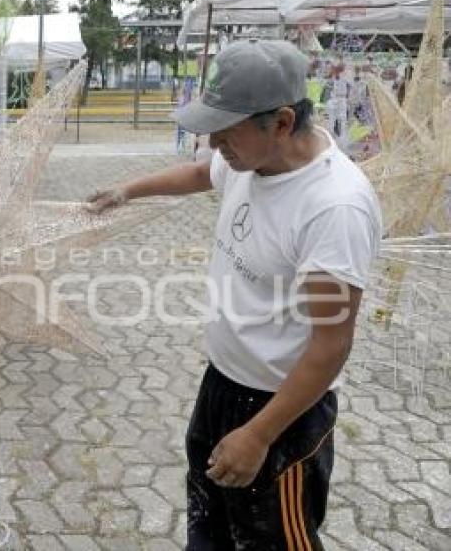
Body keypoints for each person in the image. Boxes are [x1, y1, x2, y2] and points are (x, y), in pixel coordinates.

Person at [87, 39, 381, 550]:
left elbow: (331, 345)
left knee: (274, 538)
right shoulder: (249, 159)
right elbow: (200, 173)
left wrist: (259, 434)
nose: (214, 144)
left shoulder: (333, 208)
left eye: (226, 133)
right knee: (210, 525)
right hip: (222, 383)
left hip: (281, 412)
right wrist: (128, 191)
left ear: (282, 122)